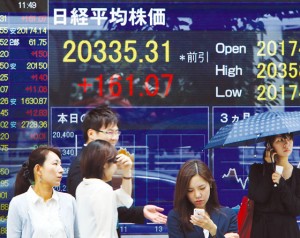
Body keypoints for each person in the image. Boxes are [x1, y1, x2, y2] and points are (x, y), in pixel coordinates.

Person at [67, 105, 167, 236]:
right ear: (91, 133)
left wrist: (126, 174)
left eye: (116, 132)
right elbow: (98, 218)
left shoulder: (99, 166)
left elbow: (117, 199)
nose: (114, 137)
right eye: (109, 132)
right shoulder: (81, 165)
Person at [7, 146, 79, 238]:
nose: (61, 170)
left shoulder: (69, 201)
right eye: (55, 164)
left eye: (60, 165)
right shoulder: (18, 204)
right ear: (38, 169)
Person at [167, 159, 239, 238]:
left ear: (210, 184)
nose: (197, 195)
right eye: (190, 190)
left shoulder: (228, 215)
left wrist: (212, 229)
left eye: (202, 188)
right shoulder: (176, 217)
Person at [76, 139, 133, 237]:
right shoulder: (102, 189)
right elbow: (104, 232)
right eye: (115, 162)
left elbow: (124, 197)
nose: (116, 167)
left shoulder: (83, 186)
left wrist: (127, 171)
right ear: (105, 164)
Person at [248, 133, 300, 238]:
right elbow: (259, 198)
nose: (286, 144)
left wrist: (281, 184)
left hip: (288, 232)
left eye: (289, 139)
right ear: (270, 145)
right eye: (280, 140)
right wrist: (268, 167)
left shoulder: (298, 174)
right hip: (263, 230)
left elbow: (296, 209)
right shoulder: (257, 170)